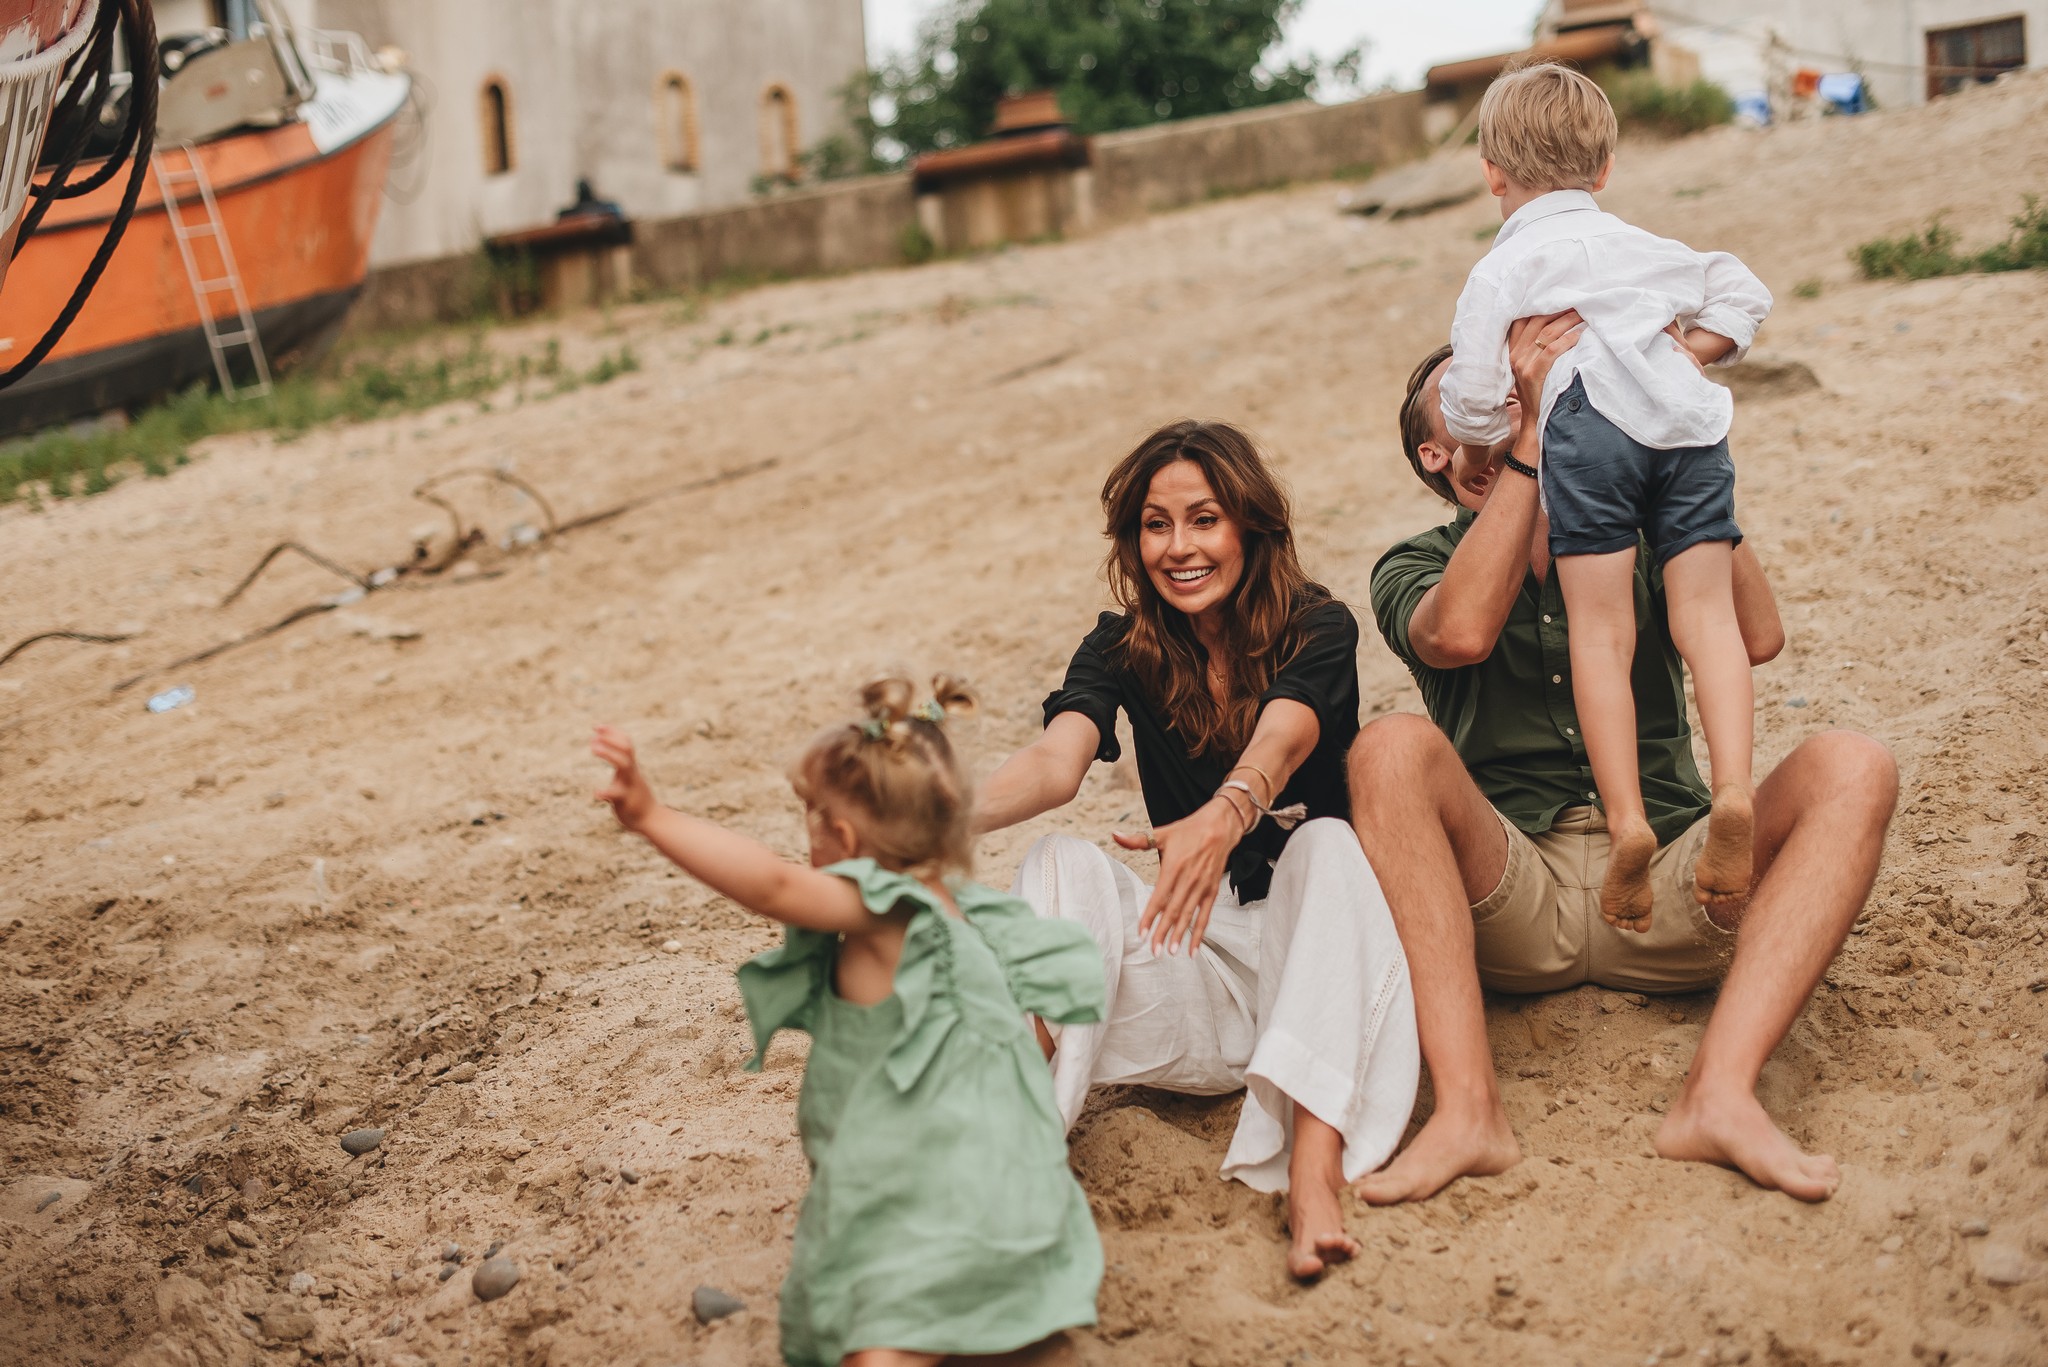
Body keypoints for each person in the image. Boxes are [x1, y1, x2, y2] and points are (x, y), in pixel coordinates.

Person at [1353, 318, 1897, 1207]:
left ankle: (1719, 1093)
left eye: (1518, 387)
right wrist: (1530, 449)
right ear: (1433, 453)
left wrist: (1669, 438)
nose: (1506, 396)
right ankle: (1468, 1110)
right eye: (1477, 393)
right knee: (1386, 748)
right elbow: (1460, 633)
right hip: (1509, 893)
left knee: (1854, 764)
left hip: (1677, 879)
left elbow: (1757, 635)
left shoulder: (1639, 540)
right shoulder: (1413, 564)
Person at [976, 419, 1419, 1281]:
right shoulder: (1119, 647)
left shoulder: (1318, 625)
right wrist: (925, 820)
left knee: (1328, 844)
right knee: (1058, 864)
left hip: (1319, 964)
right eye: (1156, 524)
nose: (1179, 547)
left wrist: (1227, 811)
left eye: (1204, 519)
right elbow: (1056, 765)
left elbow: (1285, 736)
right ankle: (1007, 1136)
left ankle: (1313, 1176)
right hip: (1198, 971)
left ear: (1250, 525)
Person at [590, 677, 1105, 1367]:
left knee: (881, 1334)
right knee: (981, 1320)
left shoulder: (881, 909)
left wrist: (652, 815)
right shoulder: (964, 908)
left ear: (843, 835)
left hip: (925, 1189)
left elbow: (771, 883)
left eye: (811, 810)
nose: (804, 828)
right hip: (1009, 1180)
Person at [1438, 61, 1775, 931]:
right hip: (1689, 426)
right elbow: (1745, 292)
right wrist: (1689, 354)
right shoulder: (1650, 248)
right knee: (1707, 618)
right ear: (1606, 167)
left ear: (1492, 174)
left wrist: (1488, 428)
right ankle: (1735, 790)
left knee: (1601, 631)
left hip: (1590, 430)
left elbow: (1468, 397)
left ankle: (1628, 820)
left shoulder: (1503, 269)